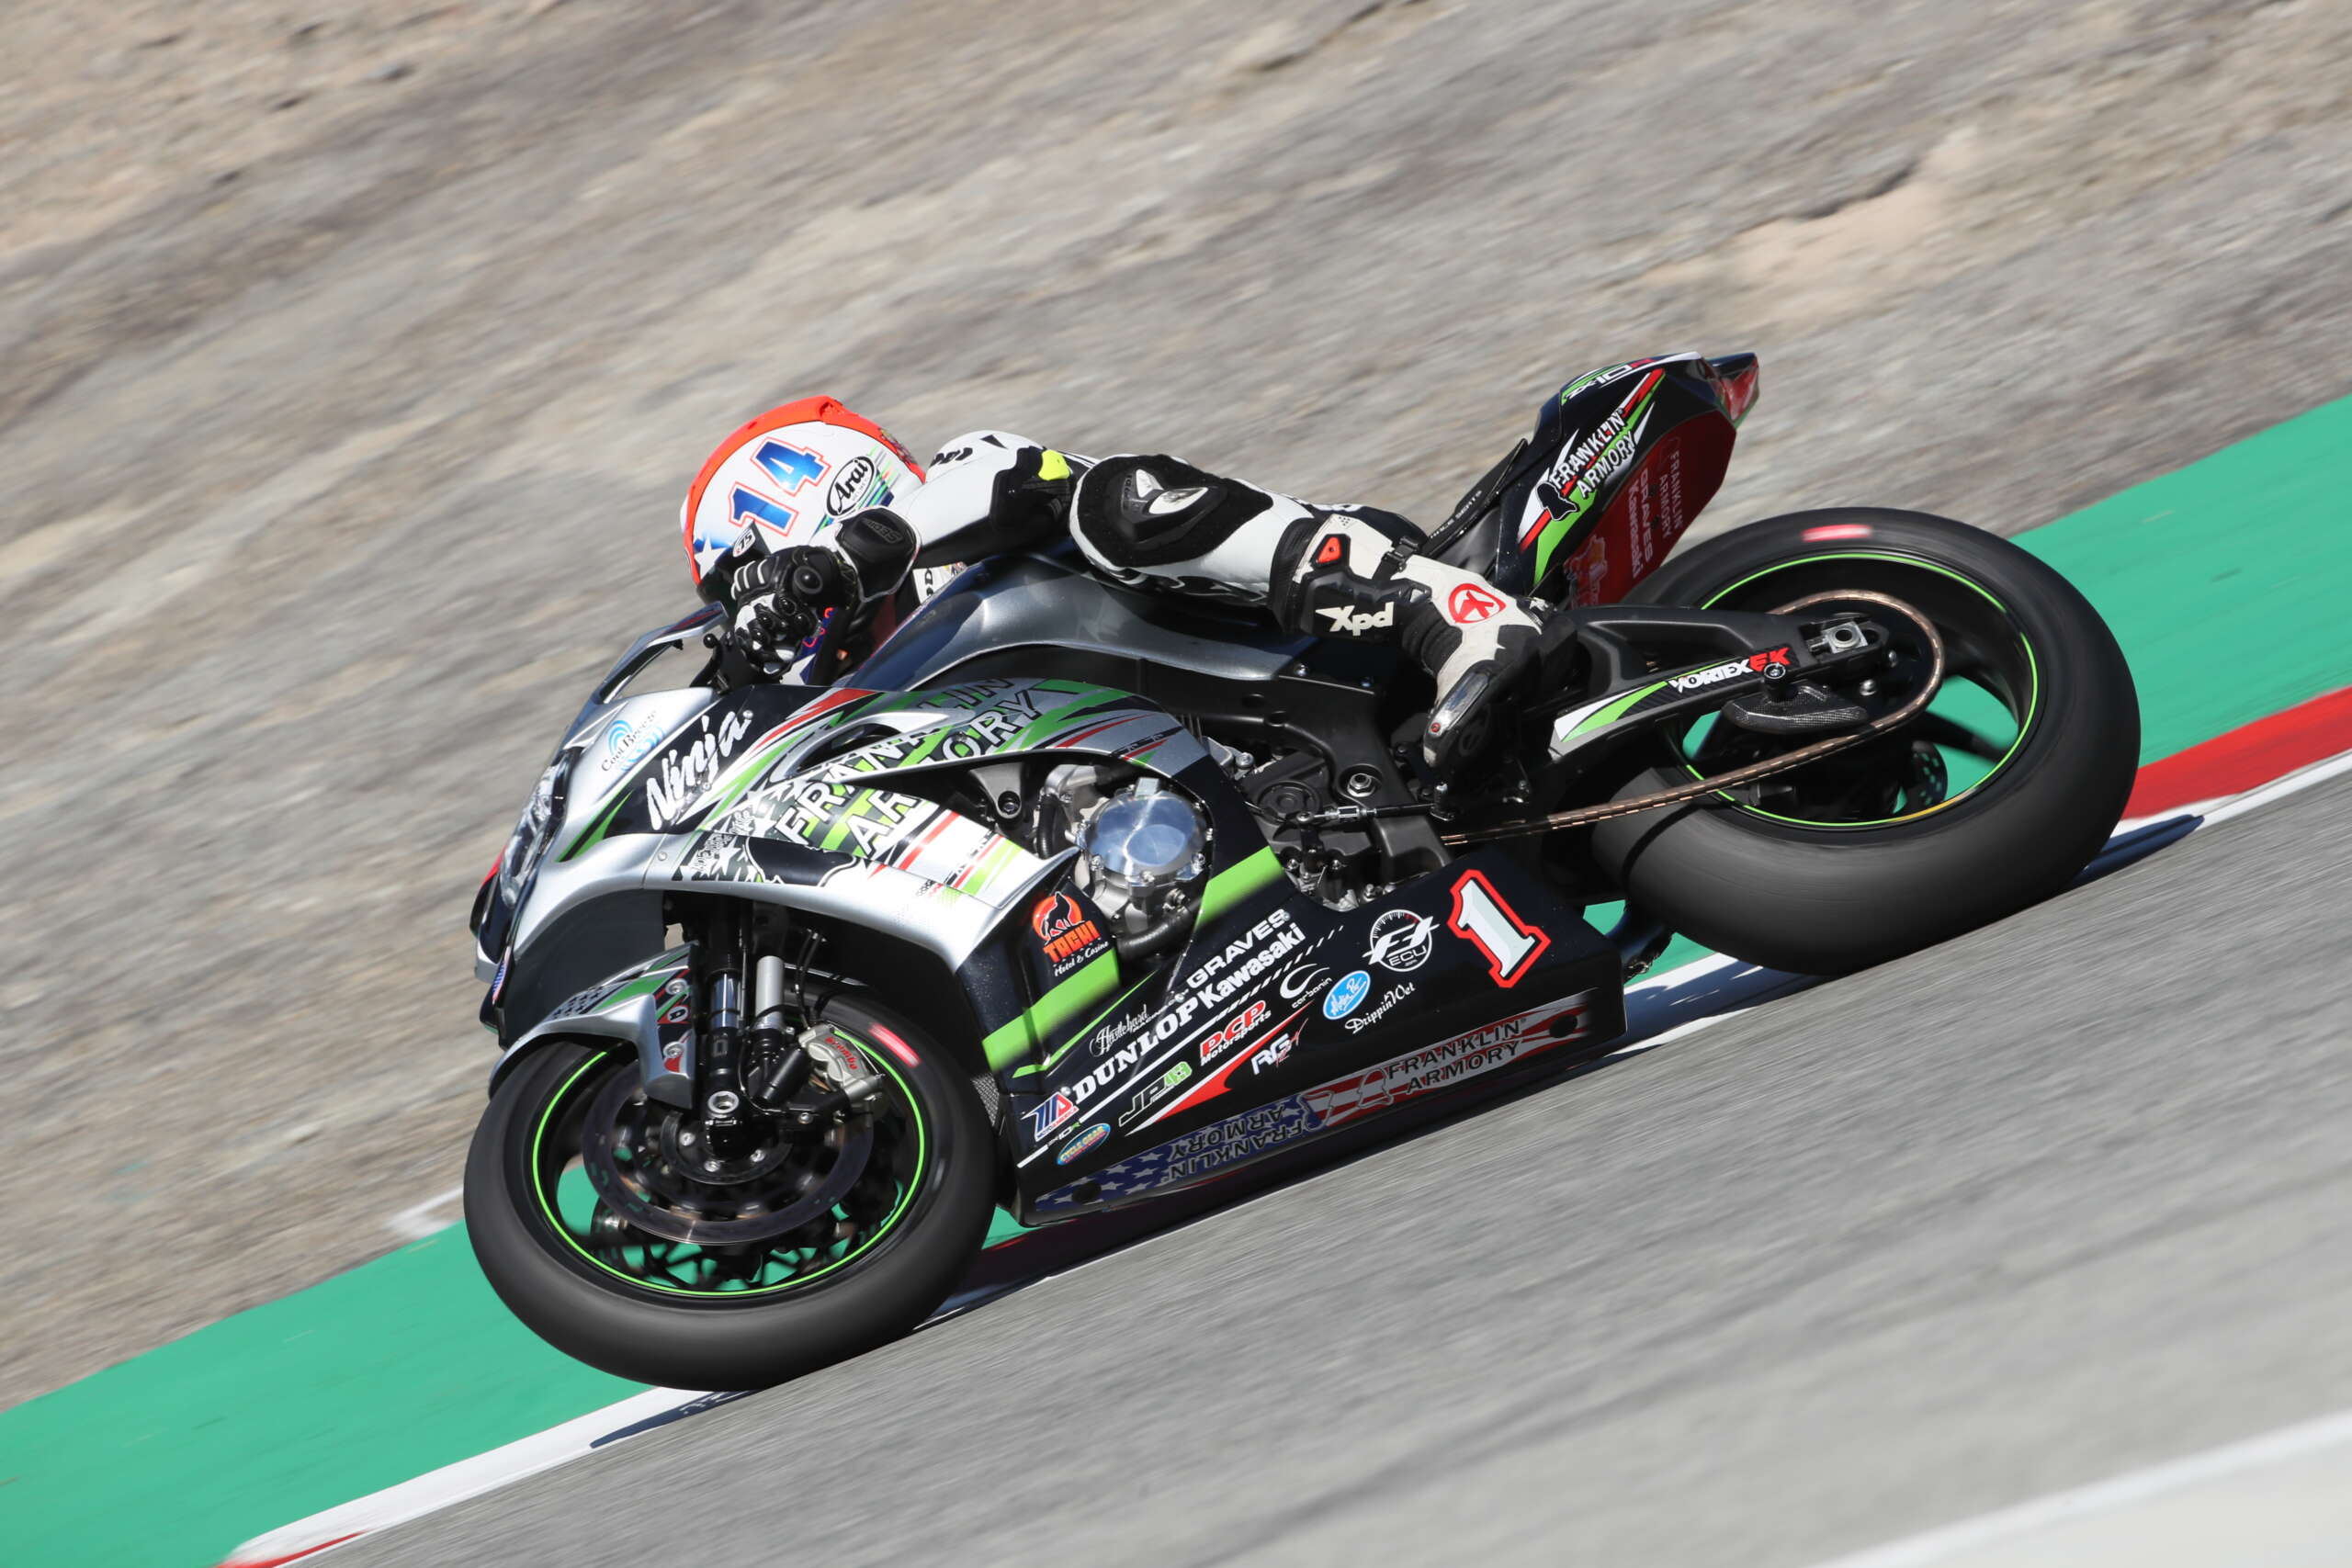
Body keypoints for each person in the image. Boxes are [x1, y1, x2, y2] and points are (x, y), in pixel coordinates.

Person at [679, 396, 1543, 776]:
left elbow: (1013, 476)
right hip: (1242, 789)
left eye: (750, 582)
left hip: (1330, 627)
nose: (758, 610)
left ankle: (1448, 611)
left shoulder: (961, 485)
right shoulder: (872, 691)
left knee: (1108, 503)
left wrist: (841, 561)